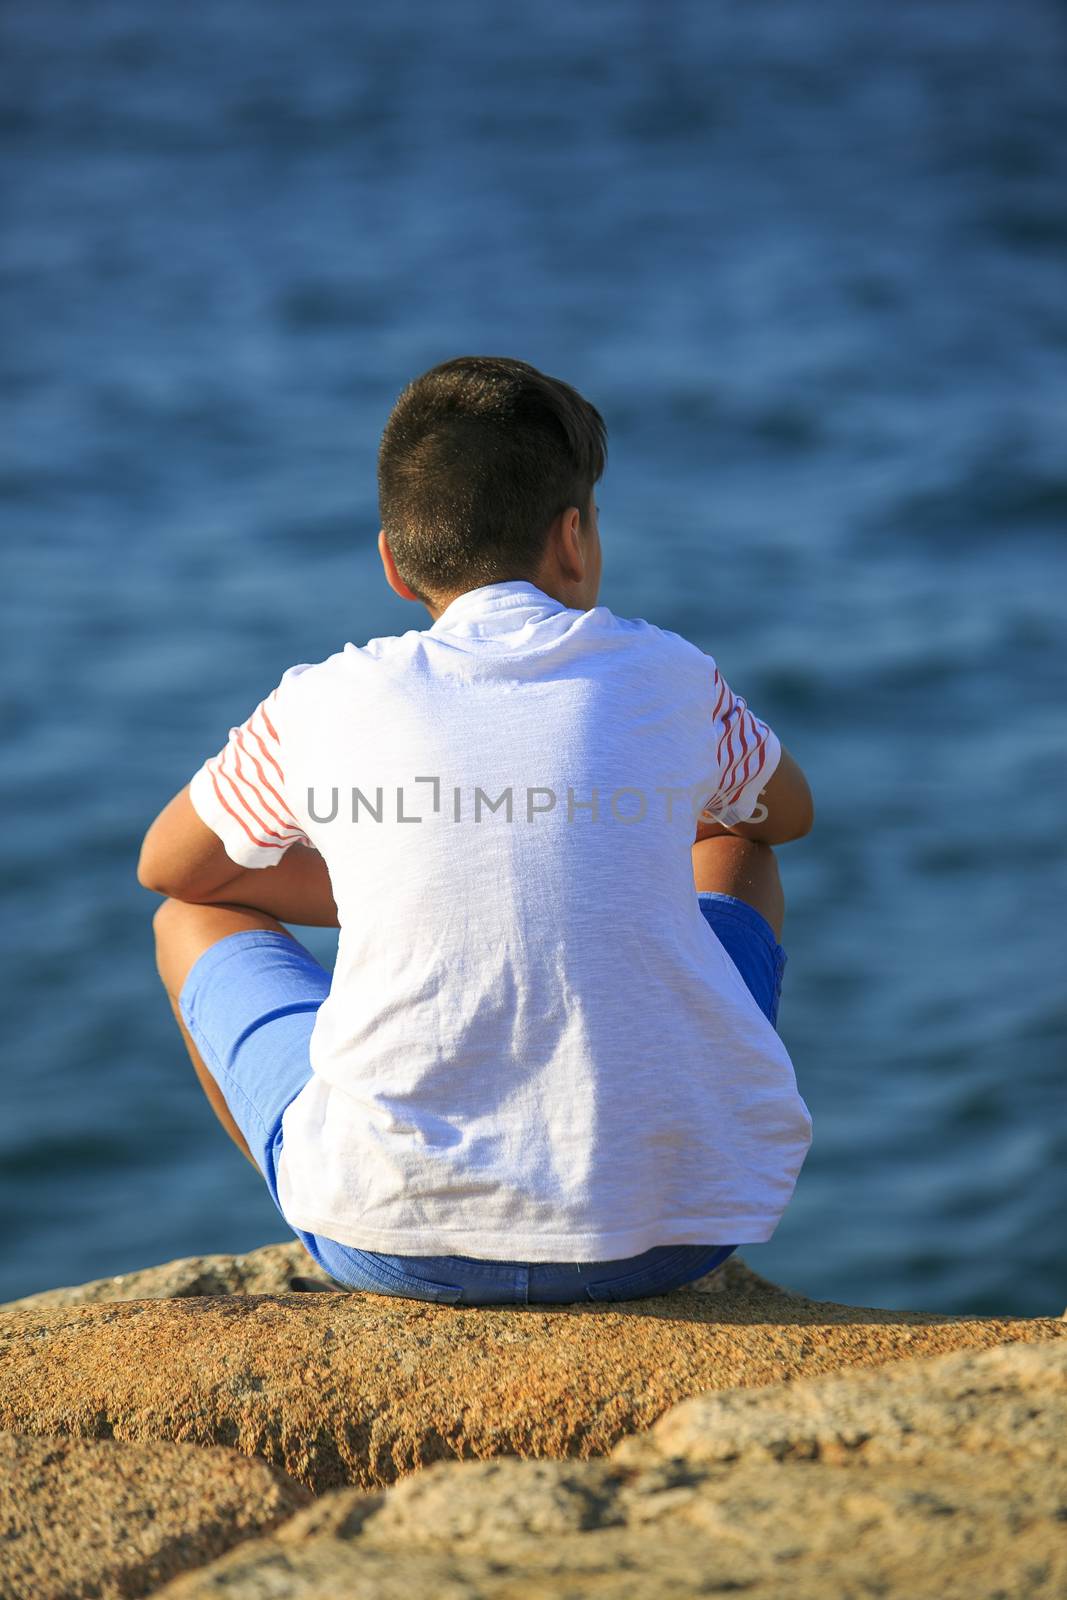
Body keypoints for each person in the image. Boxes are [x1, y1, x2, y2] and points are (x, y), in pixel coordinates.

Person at [138, 355, 814, 1307]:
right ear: (571, 539)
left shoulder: (323, 700)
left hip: (394, 1250)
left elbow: (169, 868)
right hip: (680, 1234)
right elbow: (782, 814)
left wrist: (387, 873)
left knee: (185, 918)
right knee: (731, 847)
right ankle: (665, 1139)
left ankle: (322, 1196)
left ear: (392, 561)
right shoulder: (670, 674)